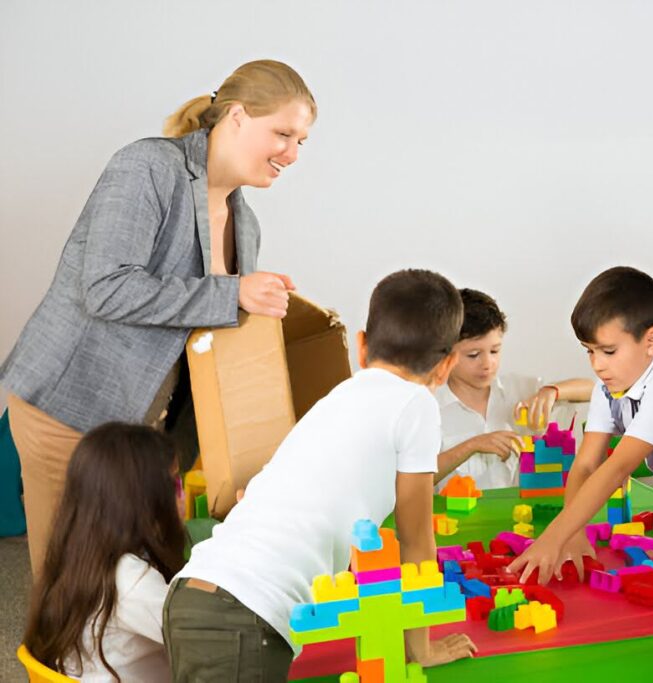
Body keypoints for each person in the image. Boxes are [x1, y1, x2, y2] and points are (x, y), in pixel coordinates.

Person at [1, 59, 314, 577]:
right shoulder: (148, 167)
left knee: (142, 583)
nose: (293, 154)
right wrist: (233, 292)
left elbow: (204, 332)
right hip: (70, 407)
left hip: (147, 431)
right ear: (236, 116)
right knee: (70, 589)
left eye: (302, 141)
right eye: (283, 134)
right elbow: (106, 288)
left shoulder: (247, 225)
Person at [164, 270, 476, 681]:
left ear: (361, 347)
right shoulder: (416, 404)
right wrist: (420, 647)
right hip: (247, 613)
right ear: (447, 364)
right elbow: (416, 539)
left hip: (191, 594)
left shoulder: (336, 399)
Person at [510, 266, 653, 583]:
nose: (597, 365)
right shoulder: (610, 386)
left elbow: (616, 468)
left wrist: (553, 538)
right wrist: (572, 533)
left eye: (609, 351)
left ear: (651, 341)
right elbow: (586, 465)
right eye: (590, 351)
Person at [22, 423, 185, 682]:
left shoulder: (75, 559)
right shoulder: (132, 583)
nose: (183, 495)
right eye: (176, 484)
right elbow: (203, 635)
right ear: (145, 502)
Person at [435, 287, 593, 489]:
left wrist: (552, 391)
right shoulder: (430, 407)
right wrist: (471, 446)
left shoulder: (521, 390)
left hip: (522, 515)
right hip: (454, 519)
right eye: (473, 355)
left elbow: (593, 390)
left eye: (495, 350)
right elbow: (410, 481)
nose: (487, 363)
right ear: (445, 352)